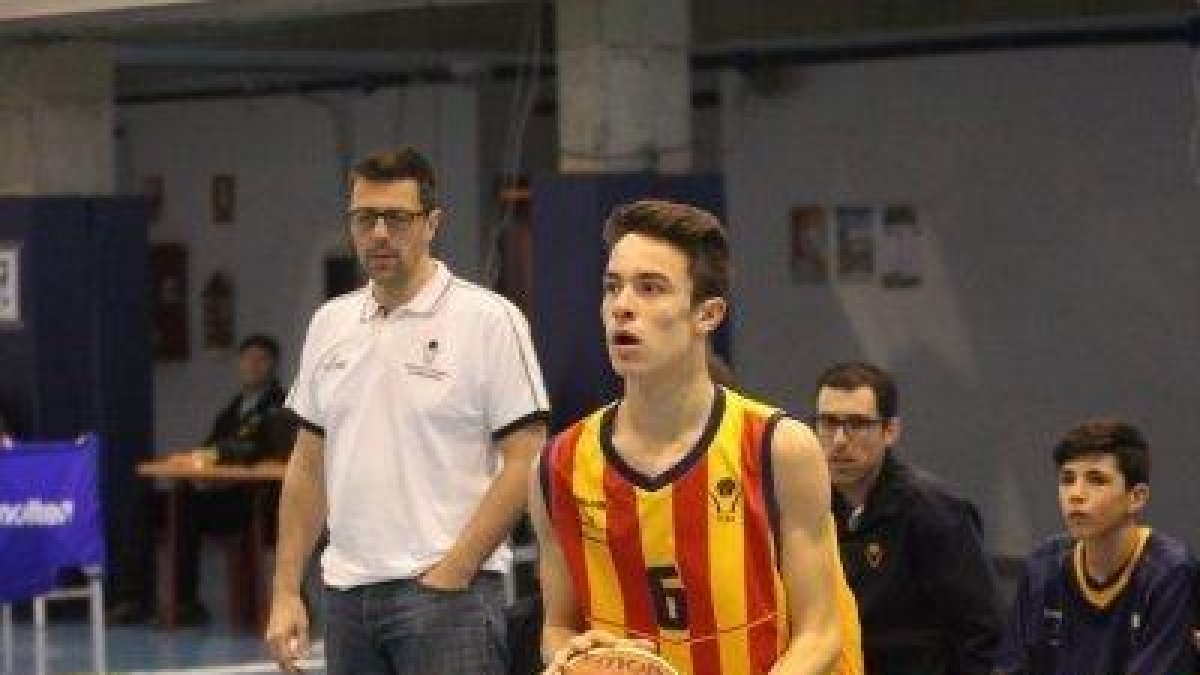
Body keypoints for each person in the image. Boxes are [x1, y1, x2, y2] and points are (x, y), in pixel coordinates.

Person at [532, 200, 863, 675]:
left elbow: (821, 634)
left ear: (707, 315)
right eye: (613, 287)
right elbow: (558, 626)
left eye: (650, 288)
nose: (622, 306)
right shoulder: (557, 464)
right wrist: (566, 654)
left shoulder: (779, 448)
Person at [265, 147, 549, 675]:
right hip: (346, 599)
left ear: (432, 223)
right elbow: (307, 466)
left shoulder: (490, 320)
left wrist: (455, 570)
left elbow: (525, 458)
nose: (378, 234)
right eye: (364, 217)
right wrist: (286, 592)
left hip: (450, 602)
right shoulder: (329, 325)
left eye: (396, 218)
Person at [813, 361, 1002, 674]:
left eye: (857, 424)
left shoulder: (935, 512)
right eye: (828, 422)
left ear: (890, 431)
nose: (839, 441)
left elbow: (983, 636)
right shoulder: (805, 508)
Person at [994, 418, 1198, 674]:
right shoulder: (1042, 565)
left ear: (1137, 497)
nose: (1076, 494)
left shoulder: (1169, 574)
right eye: (1067, 480)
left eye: (1096, 480)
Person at [170, 333, 290, 626]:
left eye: (260, 360)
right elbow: (210, 445)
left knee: (190, 510)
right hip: (225, 492)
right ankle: (182, 603)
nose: (252, 366)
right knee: (177, 505)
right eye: (247, 359)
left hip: (259, 499)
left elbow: (260, 449)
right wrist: (204, 459)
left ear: (272, 365)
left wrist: (217, 454)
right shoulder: (234, 407)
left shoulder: (280, 403)